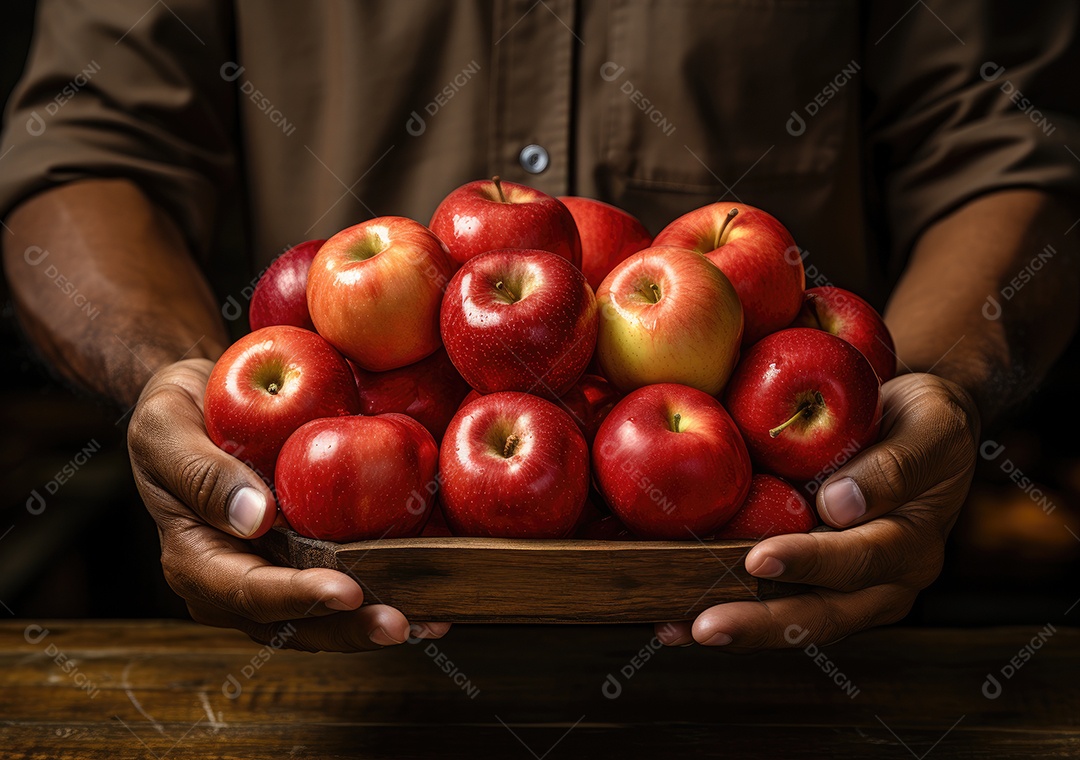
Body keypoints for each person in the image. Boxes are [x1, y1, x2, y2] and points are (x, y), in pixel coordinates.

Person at [1, 1, 1077, 652]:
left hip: (793, 632)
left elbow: (1011, 150)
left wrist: (922, 400)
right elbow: (87, 145)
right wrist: (181, 384)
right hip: (329, 664)